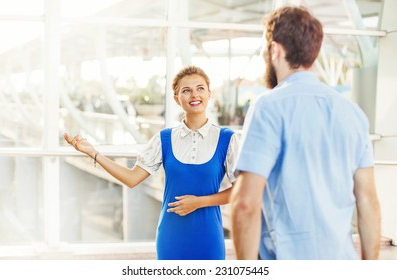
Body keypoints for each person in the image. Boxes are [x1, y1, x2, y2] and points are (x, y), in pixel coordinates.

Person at [230, 6, 381, 260]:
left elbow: (245, 204)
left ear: (275, 50)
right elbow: (368, 202)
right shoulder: (353, 113)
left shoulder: (268, 107)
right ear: (314, 51)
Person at [65, 65, 239, 260]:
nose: (194, 95)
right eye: (186, 90)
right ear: (176, 99)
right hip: (171, 237)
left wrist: (200, 202)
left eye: (200, 88)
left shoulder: (227, 139)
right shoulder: (163, 138)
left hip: (209, 238)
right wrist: (94, 153)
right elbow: (132, 179)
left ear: (209, 94)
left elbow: (240, 190)